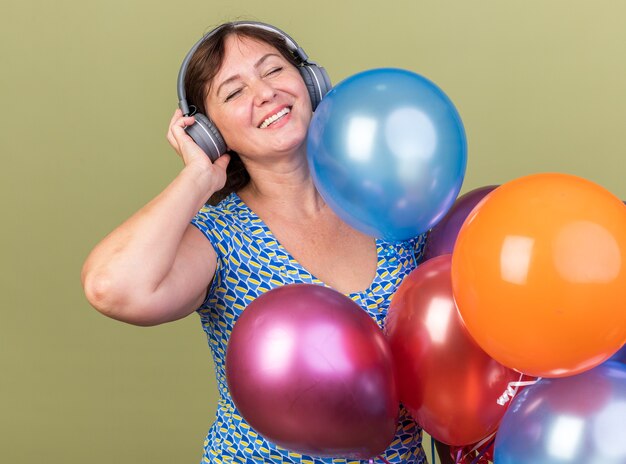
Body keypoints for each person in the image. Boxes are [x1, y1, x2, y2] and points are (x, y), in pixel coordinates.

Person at [82, 21, 450, 464]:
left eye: (273, 70)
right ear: (210, 132)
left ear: (310, 81)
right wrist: (199, 176)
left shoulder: (392, 203)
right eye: (233, 93)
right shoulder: (220, 239)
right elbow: (112, 286)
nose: (264, 93)